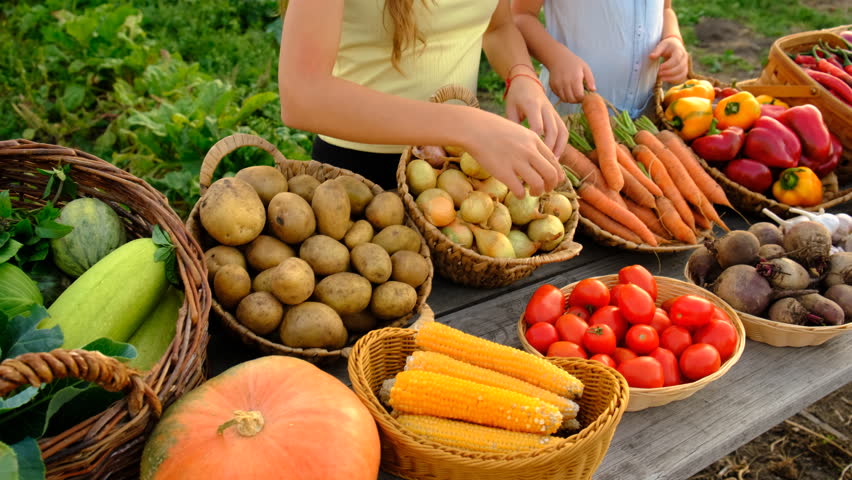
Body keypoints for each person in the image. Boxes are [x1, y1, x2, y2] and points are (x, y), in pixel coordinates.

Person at [277, 0, 567, 197]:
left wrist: (521, 75)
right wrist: (468, 126)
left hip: (457, 174)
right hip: (357, 182)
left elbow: (498, 27)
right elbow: (302, 94)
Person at [511, 0, 689, 119]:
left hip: (647, 112)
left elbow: (665, 10)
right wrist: (555, 58)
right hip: (573, 116)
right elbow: (519, 16)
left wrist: (672, 38)